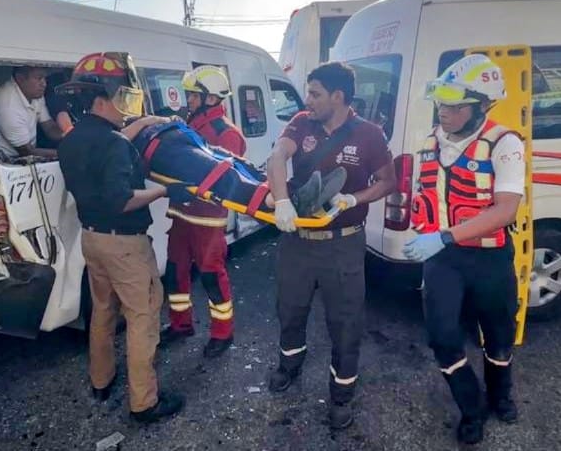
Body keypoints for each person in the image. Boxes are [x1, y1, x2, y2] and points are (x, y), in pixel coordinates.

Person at [58, 52, 191, 423]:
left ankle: (102, 381)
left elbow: (115, 139)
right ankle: (144, 403)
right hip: (125, 246)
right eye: (123, 99)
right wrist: (166, 192)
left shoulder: (72, 140)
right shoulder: (113, 145)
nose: (126, 108)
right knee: (143, 317)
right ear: (102, 100)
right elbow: (123, 199)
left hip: (93, 240)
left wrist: (149, 120)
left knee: (102, 312)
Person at [265, 61, 396, 429]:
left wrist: (353, 199)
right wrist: (283, 199)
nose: (308, 100)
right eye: (308, 92)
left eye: (315, 93)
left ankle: (341, 394)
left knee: (345, 322)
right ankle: (289, 365)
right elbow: (277, 156)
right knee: (289, 310)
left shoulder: (369, 134)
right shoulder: (302, 123)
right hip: (298, 240)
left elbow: (388, 181)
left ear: (338, 97)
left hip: (343, 245)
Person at [403, 54, 524, 445]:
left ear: (482, 106)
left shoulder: (504, 143)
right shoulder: (428, 142)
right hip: (442, 262)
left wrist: (444, 235)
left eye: (456, 106)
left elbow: (506, 207)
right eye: (442, 104)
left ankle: (500, 394)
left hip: (488, 258)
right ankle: (471, 409)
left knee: (499, 336)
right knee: (442, 336)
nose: (446, 113)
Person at [159, 65, 246, 359]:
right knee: (174, 272)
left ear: (211, 98)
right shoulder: (188, 125)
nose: (189, 100)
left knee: (211, 276)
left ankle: (223, 332)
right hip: (181, 214)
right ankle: (180, 324)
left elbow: (227, 178)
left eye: (193, 95)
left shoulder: (228, 134)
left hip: (207, 219)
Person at [131, 118, 346, 223]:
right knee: (218, 171)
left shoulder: (216, 124)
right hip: (157, 147)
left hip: (171, 134)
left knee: (237, 163)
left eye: (194, 95)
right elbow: (121, 136)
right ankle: (279, 202)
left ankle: (292, 194)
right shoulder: (107, 131)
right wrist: (146, 120)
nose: (190, 100)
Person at [0, 66, 65, 159]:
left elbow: (49, 127)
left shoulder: (34, 93)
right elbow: (27, 151)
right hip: (10, 159)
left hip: (29, 151)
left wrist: (68, 134)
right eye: (39, 78)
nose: (44, 84)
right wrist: (66, 153)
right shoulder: (8, 106)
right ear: (20, 79)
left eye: (44, 78)